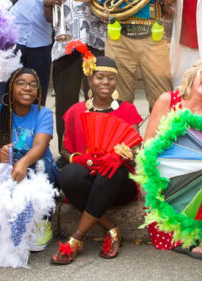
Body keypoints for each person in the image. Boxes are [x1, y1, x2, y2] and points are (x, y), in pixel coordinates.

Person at [52, 55, 143, 265]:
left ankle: (75, 238)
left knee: (110, 171)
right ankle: (111, 228)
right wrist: (80, 159)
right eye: (100, 77)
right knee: (68, 173)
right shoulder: (76, 111)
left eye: (111, 78)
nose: (105, 82)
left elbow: (136, 146)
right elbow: (65, 149)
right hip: (88, 177)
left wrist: (119, 156)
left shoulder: (127, 110)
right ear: (90, 79)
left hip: (119, 182)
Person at [144, 56, 202, 260]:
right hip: (168, 175)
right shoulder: (169, 100)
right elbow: (148, 144)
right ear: (194, 74)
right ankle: (187, 237)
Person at [0, 67, 58, 251]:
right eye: (21, 83)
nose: (27, 88)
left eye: (33, 85)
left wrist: (22, 162)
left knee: (42, 166)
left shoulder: (43, 113)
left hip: (34, 164)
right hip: (5, 163)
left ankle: (43, 223)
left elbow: (39, 146)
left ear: (38, 91)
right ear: (11, 88)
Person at [43, 0, 105, 148]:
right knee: (65, 105)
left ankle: (96, 150)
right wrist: (47, 2)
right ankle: (66, 151)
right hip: (64, 47)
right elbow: (49, 17)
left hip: (95, 44)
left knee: (97, 102)